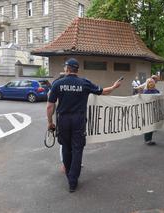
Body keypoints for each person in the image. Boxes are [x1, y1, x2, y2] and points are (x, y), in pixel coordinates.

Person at [47, 58, 122, 192]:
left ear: (67, 69)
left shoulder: (58, 84)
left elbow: (50, 106)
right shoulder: (84, 83)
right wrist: (114, 86)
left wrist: (50, 122)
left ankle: (69, 174)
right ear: (77, 70)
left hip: (63, 120)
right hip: (78, 120)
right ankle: (72, 181)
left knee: (65, 147)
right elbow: (103, 91)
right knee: (77, 149)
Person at [142, 78, 160, 145]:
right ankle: (147, 140)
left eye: (152, 82)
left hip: (155, 110)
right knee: (148, 126)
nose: (151, 83)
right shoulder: (146, 92)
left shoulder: (156, 91)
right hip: (148, 111)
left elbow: (160, 98)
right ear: (147, 84)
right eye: (149, 82)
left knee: (152, 126)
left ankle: (150, 139)